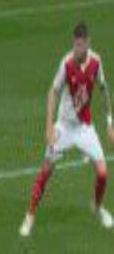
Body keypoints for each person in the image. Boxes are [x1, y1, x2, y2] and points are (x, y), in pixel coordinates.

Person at [19, 22, 114, 237]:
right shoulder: (67, 63)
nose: (77, 49)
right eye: (75, 44)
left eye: (80, 45)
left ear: (87, 43)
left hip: (85, 128)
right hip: (64, 127)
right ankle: (30, 215)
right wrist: (49, 127)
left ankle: (97, 208)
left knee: (103, 173)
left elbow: (104, 89)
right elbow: (53, 92)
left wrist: (110, 123)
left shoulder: (96, 62)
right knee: (46, 170)